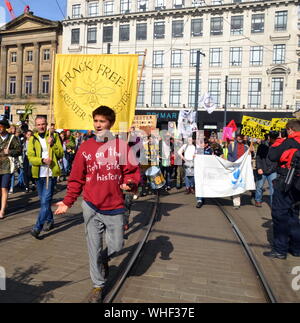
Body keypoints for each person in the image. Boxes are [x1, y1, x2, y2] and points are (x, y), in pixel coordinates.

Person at [54, 106, 140, 303]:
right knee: (93, 248)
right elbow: (76, 178)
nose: (98, 125)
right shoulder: (85, 148)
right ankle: (97, 286)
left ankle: (103, 259)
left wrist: (131, 183)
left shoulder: (121, 146)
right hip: (91, 206)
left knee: (117, 246)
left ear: (111, 123)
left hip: (115, 206)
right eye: (96, 121)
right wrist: (68, 201)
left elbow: (132, 171)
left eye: (103, 121)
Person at [265, 119, 300, 259]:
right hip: (298, 186)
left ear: (290, 130)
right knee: (294, 215)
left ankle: (280, 249)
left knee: (279, 215)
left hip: (286, 182)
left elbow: (272, 156)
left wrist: (280, 141)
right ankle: (296, 248)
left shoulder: (289, 142)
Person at [27, 116, 63, 238]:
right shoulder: (33, 139)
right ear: (36, 126)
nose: (41, 126)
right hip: (38, 174)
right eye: (38, 124)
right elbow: (30, 157)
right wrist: (42, 160)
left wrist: (53, 145)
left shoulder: (55, 136)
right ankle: (50, 220)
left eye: (43, 124)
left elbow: (60, 154)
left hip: (50, 174)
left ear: (46, 124)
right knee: (44, 202)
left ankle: (37, 227)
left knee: (45, 201)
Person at [0, 117, 21, 219]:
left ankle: (2, 210)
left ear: (5, 127)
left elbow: (19, 150)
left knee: (4, 188)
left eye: (1, 126)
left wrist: (10, 152)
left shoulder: (12, 138)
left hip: (7, 167)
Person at [254, 132, 278, 207]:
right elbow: (258, 158)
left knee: (273, 188)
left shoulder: (277, 146)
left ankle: (273, 203)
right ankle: (258, 200)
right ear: (269, 138)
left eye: (275, 138)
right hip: (262, 169)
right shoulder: (261, 146)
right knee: (259, 186)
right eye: (273, 138)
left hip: (272, 170)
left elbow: (277, 159)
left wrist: (274, 168)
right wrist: (259, 168)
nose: (274, 140)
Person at [228, 134, 249, 209]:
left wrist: (250, 152)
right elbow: (229, 155)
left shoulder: (246, 147)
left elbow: (248, 157)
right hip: (235, 168)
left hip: (243, 168)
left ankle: (236, 196)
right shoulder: (232, 145)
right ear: (236, 138)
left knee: (241, 184)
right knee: (236, 184)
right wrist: (232, 164)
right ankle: (236, 203)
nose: (240, 139)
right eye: (238, 137)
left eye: (241, 138)